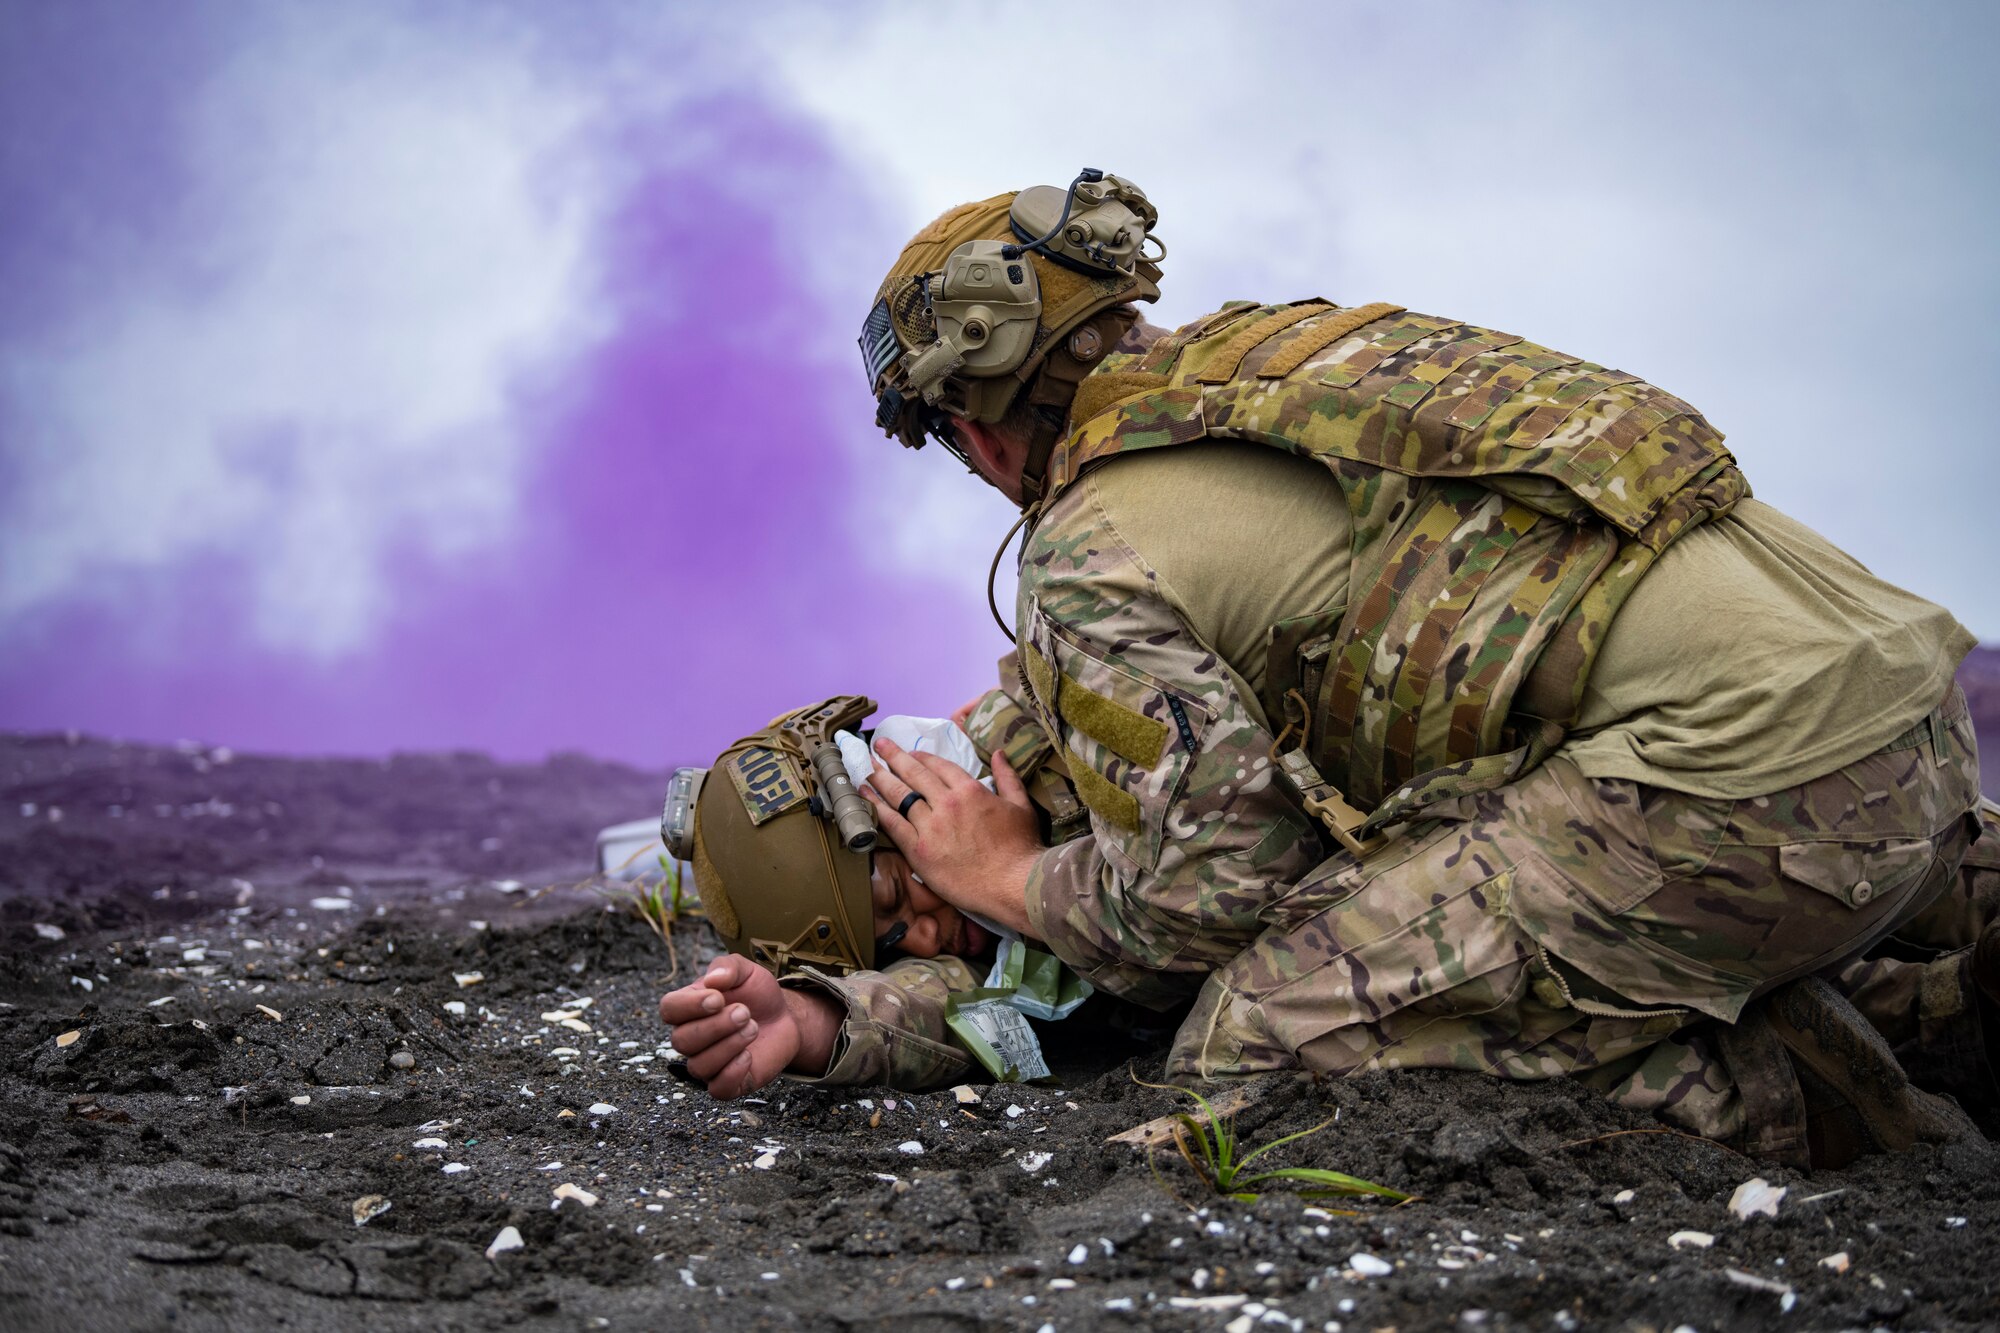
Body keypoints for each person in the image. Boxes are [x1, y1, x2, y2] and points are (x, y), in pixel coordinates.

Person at [664, 171, 2000, 1167]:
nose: (929, 914)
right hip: (1904, 725)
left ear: (980, 420)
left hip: (1750, 791)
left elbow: (1193, 916)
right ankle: (1948, 966)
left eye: (902, 896)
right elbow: (1042, 984)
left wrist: (1006, 877)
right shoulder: (1269, 378)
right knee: (1428, 925)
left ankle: (1829, 1087)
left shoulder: (1091, 551)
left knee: (1264, 1040)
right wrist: (836, 1016)